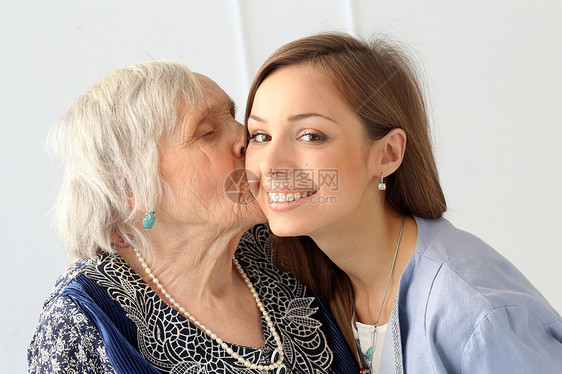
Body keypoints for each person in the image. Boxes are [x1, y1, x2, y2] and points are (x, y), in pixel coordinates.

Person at [244, 33, 562, 373]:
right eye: (260, 136)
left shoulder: (475, 312)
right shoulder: (312, 288)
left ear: (388, 153)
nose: (271, 164)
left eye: (310, 135)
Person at [28, 61, 358, 373]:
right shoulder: (84, 319)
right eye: (207, 132)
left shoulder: (282, 247)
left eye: (234, 116)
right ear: (131, 188)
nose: (246, 137)